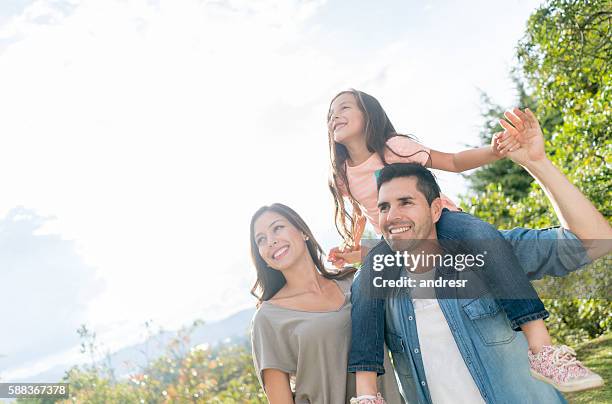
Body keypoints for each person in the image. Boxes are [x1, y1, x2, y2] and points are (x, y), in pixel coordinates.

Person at [325, 89, 604, 398]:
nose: (334, 116)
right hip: (393, 243)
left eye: (344, 107)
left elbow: (454, 161)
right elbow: (364, 214)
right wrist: (355, 247)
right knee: (364, 284)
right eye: (330, 113)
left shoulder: (395, 147)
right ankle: (367, 393)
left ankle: (542, 350)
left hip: (447, 222)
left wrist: (497, 150)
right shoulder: (342, 172)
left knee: (482, 234)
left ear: (369, 114)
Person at [249, 203, 404, 403]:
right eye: (261, 239)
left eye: (277, 228)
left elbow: (413, 263)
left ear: (303, 231)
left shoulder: (353, 281)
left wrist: (365, 253)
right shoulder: (268, 318)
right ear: (264, 259)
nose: (270, 241)